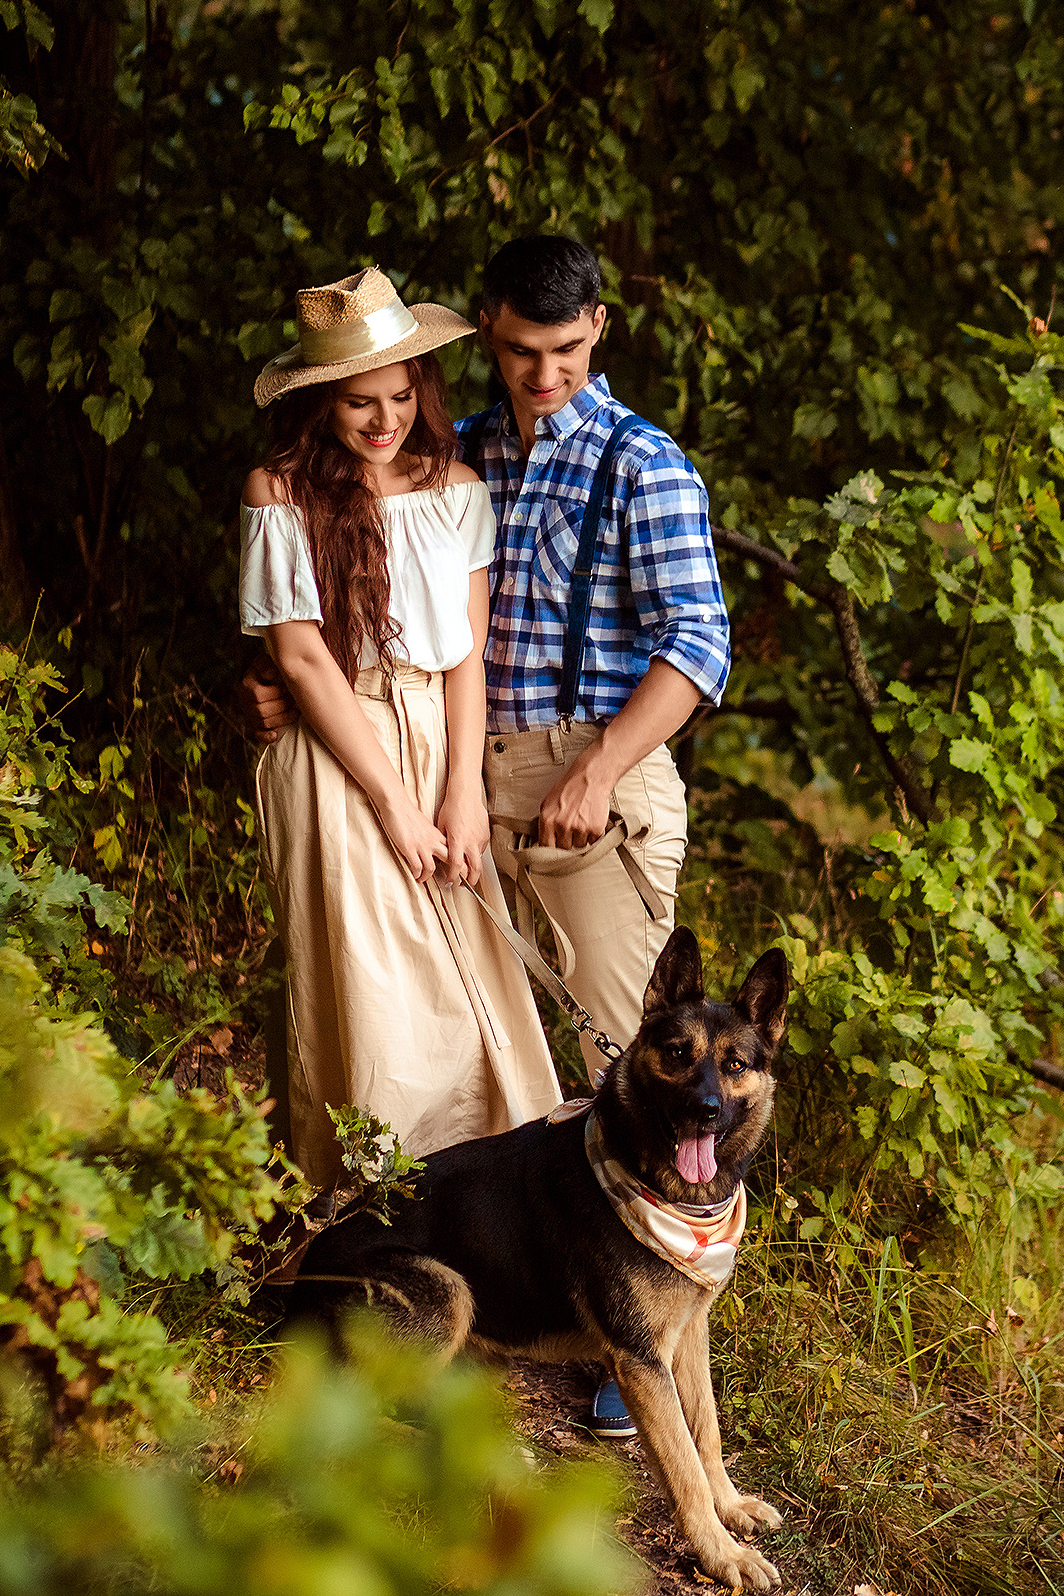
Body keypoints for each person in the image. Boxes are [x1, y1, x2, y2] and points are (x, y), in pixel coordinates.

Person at [242, 235, 733, 1437]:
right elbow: (357, 613)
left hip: (577, 778)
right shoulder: (473, 456)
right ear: (493, 345)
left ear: (599, 331)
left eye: (563, 351)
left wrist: (600, 767)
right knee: (474, 1028)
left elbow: (698, 646)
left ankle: (642, 1341)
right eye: (518, 352)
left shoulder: (640, 464)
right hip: (459, 776)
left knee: (634, 1054)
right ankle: (453, 1284)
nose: (542, 374)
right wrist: (274, 686)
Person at [241, 267, 563, 1191]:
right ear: (318, 405)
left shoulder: (456, 485)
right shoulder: (278, 493)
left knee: (468, 984)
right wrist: (394, 804)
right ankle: (367, 1220)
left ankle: (487, 1210)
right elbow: (301, 660)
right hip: (340, 749)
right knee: (368, 985)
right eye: (357, 402)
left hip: (437, 737)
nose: (383, 420)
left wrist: (460, 794)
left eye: (398, 396)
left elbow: (467, 650)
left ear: (421, 390)